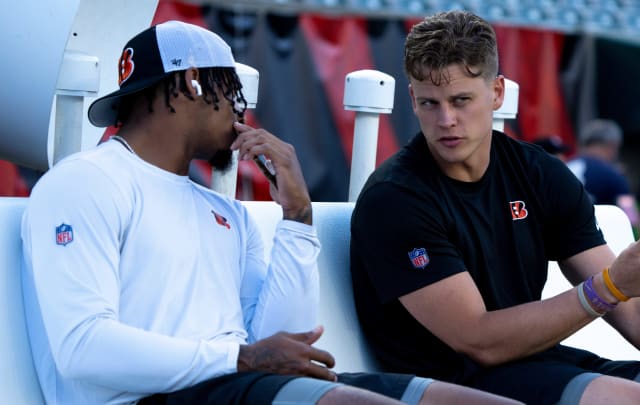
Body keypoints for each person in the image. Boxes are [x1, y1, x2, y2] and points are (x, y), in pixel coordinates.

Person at [20, 20, 518, 405]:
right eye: (232, 92)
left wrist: (297, 218)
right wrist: (240, 358)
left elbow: (285, 343)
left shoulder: (222, 211)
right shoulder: (87, 181)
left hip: (233, 385)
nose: (241, 111)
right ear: (193, 83)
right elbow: (82, 347)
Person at [350, 10, 640, 405]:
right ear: (412, 98)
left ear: (496, 93)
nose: (446, 120)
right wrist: (609, 287)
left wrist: (617, 290)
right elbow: (478, 341)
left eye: (461, 100)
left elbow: (636, 312)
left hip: (538, 361)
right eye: (429, 103)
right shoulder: (395, 198)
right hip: (455, 381)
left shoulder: (537, 172)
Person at [566, 119, 640, 234]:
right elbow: (631, 215)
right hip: (594, 241)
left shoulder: (564, 166)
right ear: (612, 145)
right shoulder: (612, 175)